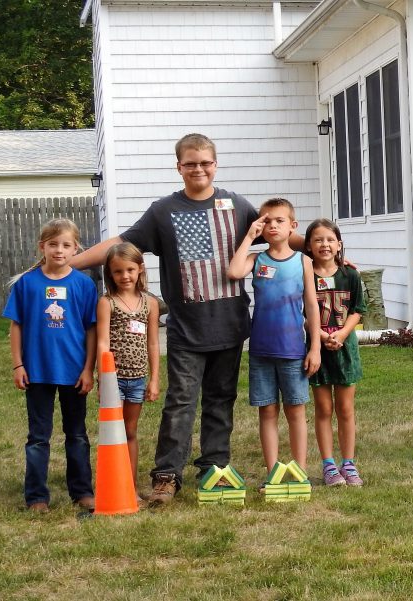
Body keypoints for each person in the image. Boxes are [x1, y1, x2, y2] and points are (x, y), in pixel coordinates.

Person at [72, 133, 290, 505]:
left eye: (205, 162)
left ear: (215, 164)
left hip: (230, 326)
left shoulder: (237, 206)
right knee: (180, 403)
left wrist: (325, 251)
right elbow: (120, 244)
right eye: (190, 163)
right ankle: (167, 476)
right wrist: (67, 266)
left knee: (220, 401)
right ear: (179, 167)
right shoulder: (163, 212)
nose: (198, 169)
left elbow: (279, 235)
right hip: (187, 329)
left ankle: (214, 470)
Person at [4, 219, 97, 512]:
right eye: (53, 244)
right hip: (37, 372)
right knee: (38, 438)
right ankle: (36, 497)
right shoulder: (27, 284)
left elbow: (91, 329)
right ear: (42, 247)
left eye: (66, 245)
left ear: (75, 248)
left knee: (77, 435)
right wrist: (18, 365)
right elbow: (16, 325)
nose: (59, 250)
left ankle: (82, 491)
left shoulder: (84, 284)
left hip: (74, 372)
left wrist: (88, 369)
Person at [228, 198, 321, 484]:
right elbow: (234, 272)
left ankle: (300, 472)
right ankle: (273, 474)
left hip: (293, 350)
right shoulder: (257, 260)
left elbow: (312, 306)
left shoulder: (303, 261)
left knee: (295, 411)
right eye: (266, 221)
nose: (272, 226)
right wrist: (249, 237)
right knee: (267, 411)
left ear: (293, 226)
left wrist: (315, 347)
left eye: (279, 221)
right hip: (261, 350)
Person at [304, 219, 367, 486]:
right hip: (317, 350)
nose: (325, 244)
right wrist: (320, 336)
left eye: (330, 239)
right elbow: (302, 312)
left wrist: (341, 335)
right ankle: (329, 465)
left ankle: (349, 464)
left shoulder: (350, 274)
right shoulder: (305, 274)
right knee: (323, 408)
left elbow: (358, 309)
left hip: (345, 349)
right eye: (318, 239)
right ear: (309, 245)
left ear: (339, 244)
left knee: (345, 408)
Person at [96, 242, 161, 494]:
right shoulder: (107, 302)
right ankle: (113, 484)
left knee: (130, 430)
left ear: (140, 269)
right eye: (118, 271)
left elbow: (153, 342)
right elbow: (103, 342)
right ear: (110, 274)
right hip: (114, 379)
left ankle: (130, 487)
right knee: (113, 432)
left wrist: (154, 379)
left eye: (130, 270)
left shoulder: (150, 303)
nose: (125, 276)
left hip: (137, 379)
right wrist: (104, 379)